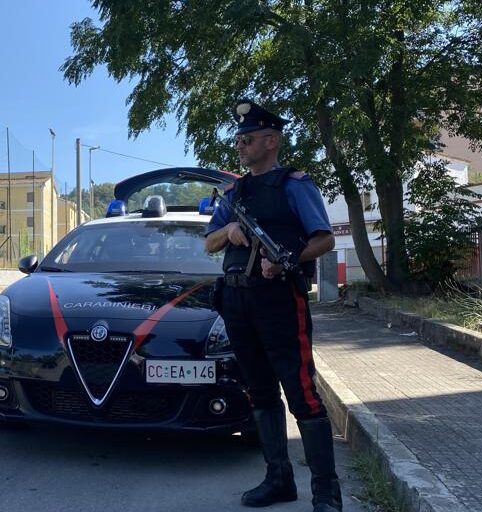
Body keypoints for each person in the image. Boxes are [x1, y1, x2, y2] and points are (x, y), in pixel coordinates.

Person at [205, 100, 340, 512]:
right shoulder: (234, 192)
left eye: (247, 140)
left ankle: (326, 493)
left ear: (271, 141)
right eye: (239, 140)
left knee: (302, 394)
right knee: (260, 393)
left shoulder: (295, 185)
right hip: (236, 301)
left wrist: (287, 258)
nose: (240, 147)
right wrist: (229, 229)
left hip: (280, 300)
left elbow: (324, 239)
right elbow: (209, 242)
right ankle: (278, 479)